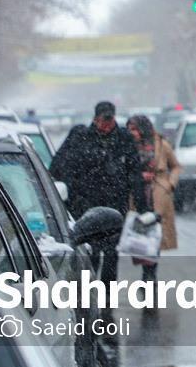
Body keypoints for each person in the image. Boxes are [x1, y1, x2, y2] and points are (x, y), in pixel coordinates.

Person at [50, 101, 146, 285]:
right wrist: (74, 195)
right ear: (95, 119)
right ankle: (91, 290)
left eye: (110, 120)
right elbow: (61, 167)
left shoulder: (124, 139)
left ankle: (107, 294)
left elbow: (134, 173)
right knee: (89, 252)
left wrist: (141, 206)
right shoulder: (81, 138)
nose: (107, 125)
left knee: (111, 253)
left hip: (115, 205)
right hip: (87, 205)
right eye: (104, 120)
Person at [126, 114, 181, 281]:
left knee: (155, 234)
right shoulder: (128, 146)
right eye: (129, 129)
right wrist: (138, 177)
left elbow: (176, 166)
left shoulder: (161, 144)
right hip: (138, 194)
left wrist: (170, 184)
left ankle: (150, 274)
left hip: (158, 194)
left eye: (134, 129)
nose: (132, 132)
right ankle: (145, 271)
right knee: (140, 234)